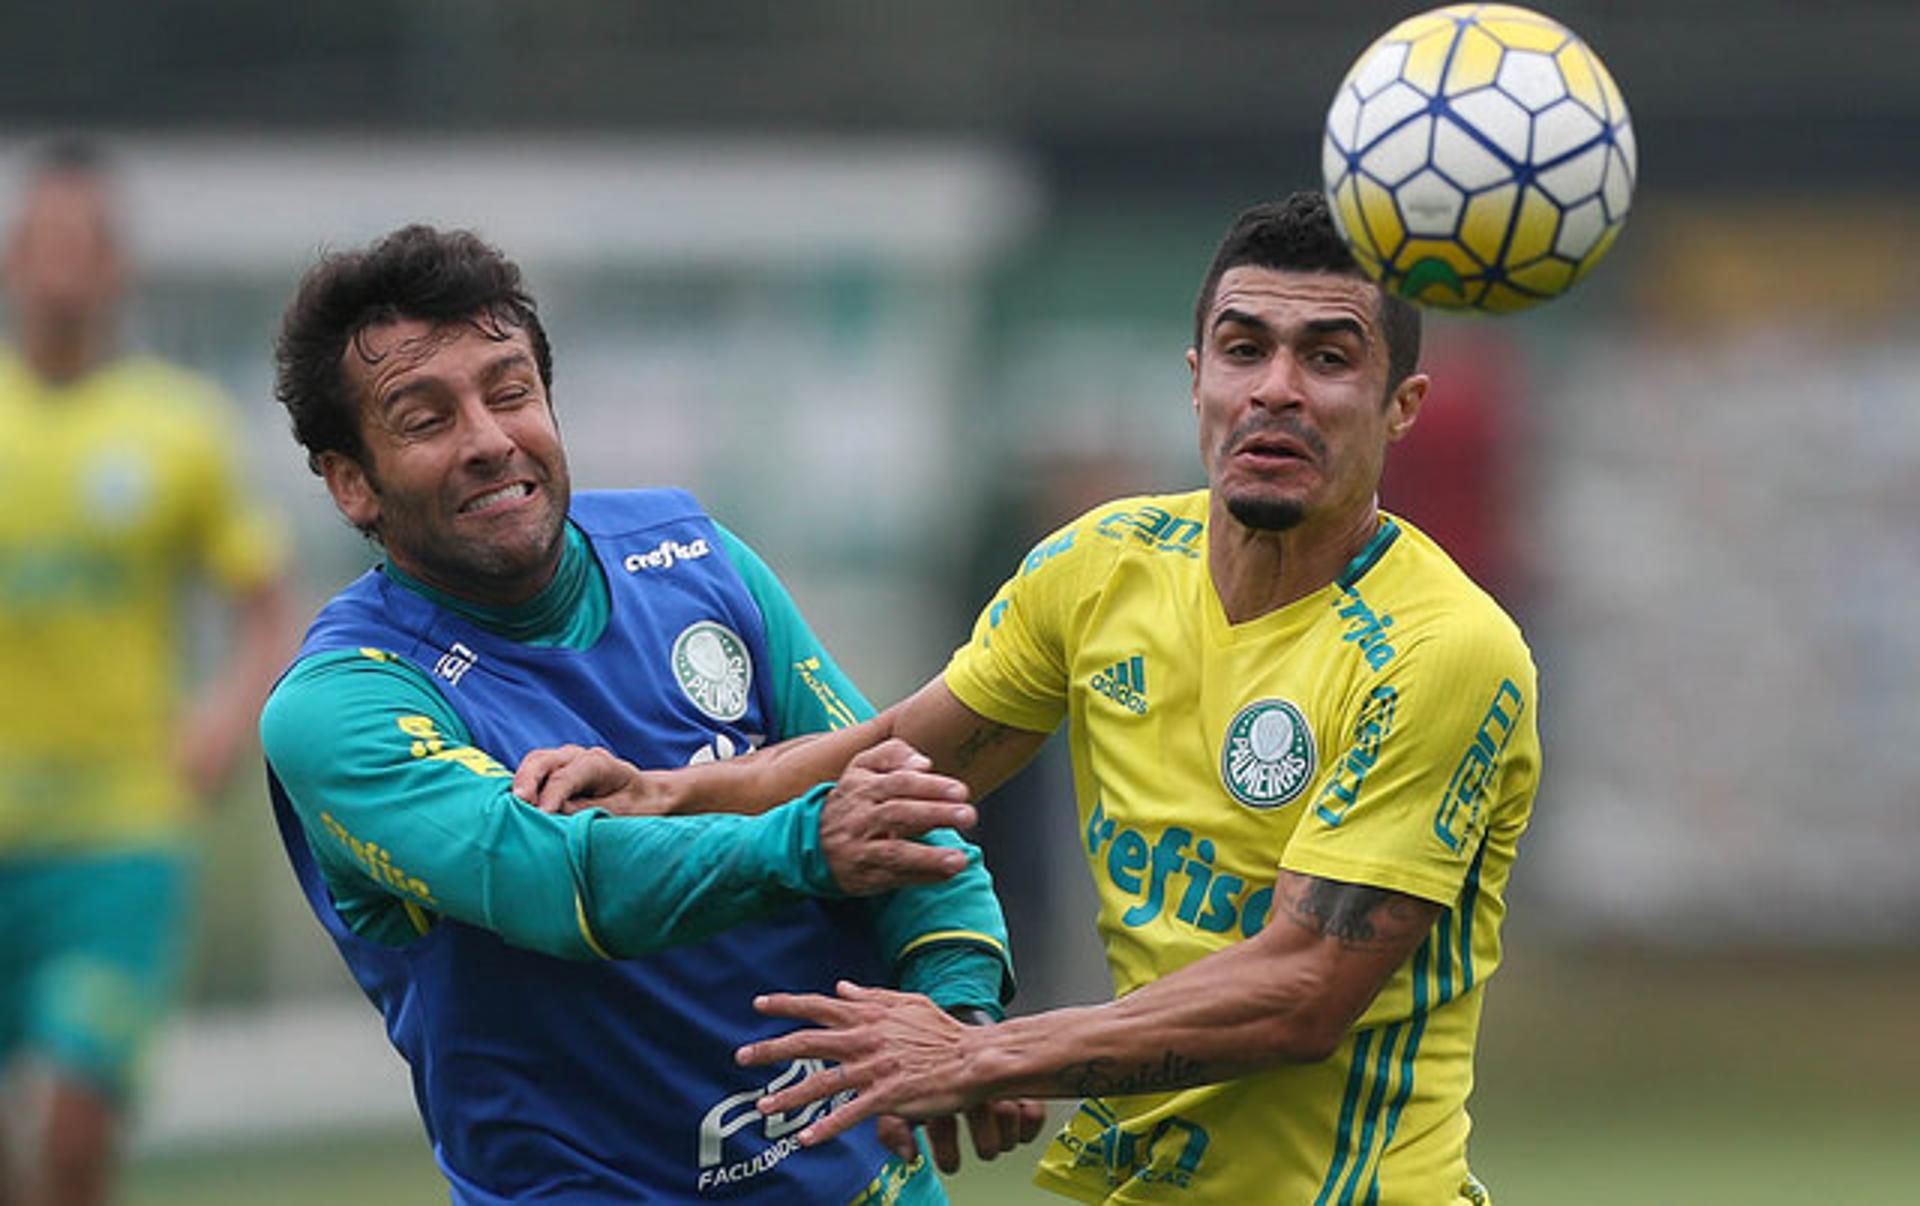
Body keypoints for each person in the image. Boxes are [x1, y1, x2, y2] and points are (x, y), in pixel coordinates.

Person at [529, 191, 1542, 1204]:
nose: (1276, 389)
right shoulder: (1102, 569)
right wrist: (664, 796)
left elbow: (1304, 991)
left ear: (1399, 404)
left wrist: (987, 1057)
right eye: (1244, 349)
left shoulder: (1440, 649)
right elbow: (898, 763)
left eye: (1329, 358)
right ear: (1196, 381)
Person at [259, 223, 1039, 1204]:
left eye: (510, 392)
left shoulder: (694, 556)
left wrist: (956, 1018)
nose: (490, 440)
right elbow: (559, 881)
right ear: (350, 482)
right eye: (426, 419)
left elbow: (899, 806)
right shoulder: (342, 701)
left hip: (865, 1186)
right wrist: (807, 840)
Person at [0, 140, 295, 1205]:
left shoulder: (178, 429)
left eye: (87, 243)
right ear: (12, 260)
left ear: (118, 266)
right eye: (45, 242)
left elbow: (267, 611)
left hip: (117, 838)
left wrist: (221, 724)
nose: (64, 265)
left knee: (76, 1127)